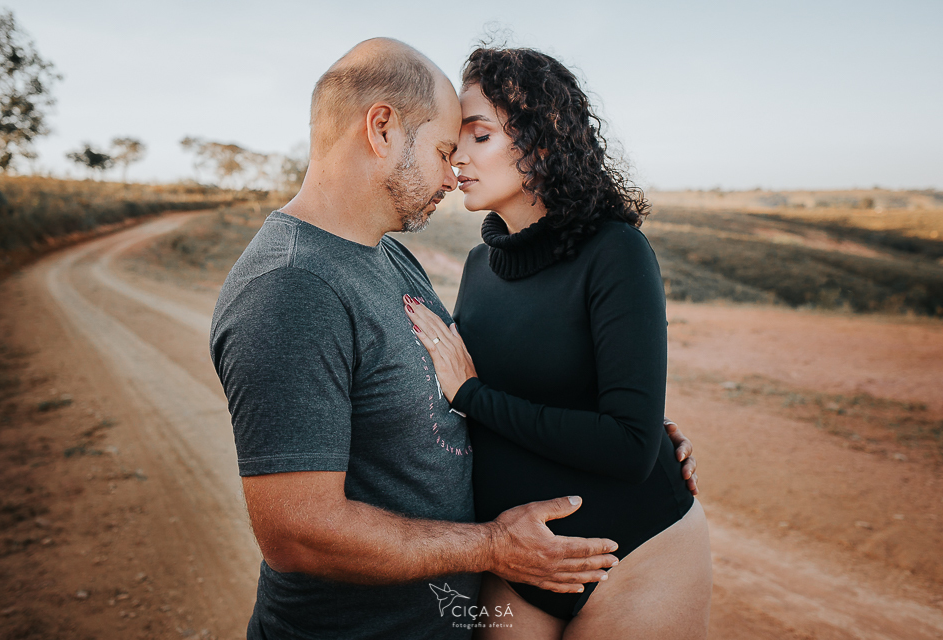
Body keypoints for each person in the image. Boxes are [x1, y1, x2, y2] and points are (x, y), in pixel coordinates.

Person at [210, 38, 698, 640]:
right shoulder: (291, 286)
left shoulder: (388, 256)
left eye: (474, 139)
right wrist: (490, 546)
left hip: (514, 588)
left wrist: (636, 425)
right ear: (382, 129)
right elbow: (298, 535)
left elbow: (469, 385)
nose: (453, 170)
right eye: (445, 148)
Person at [403, 46, 713, 639]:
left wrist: (473, 395)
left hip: (636, 554)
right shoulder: (478, 266)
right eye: (455, 140)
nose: (457, 156)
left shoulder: (615, 251)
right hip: (518, 560)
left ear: (542, 140)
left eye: (480, 136)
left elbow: (629, 447)